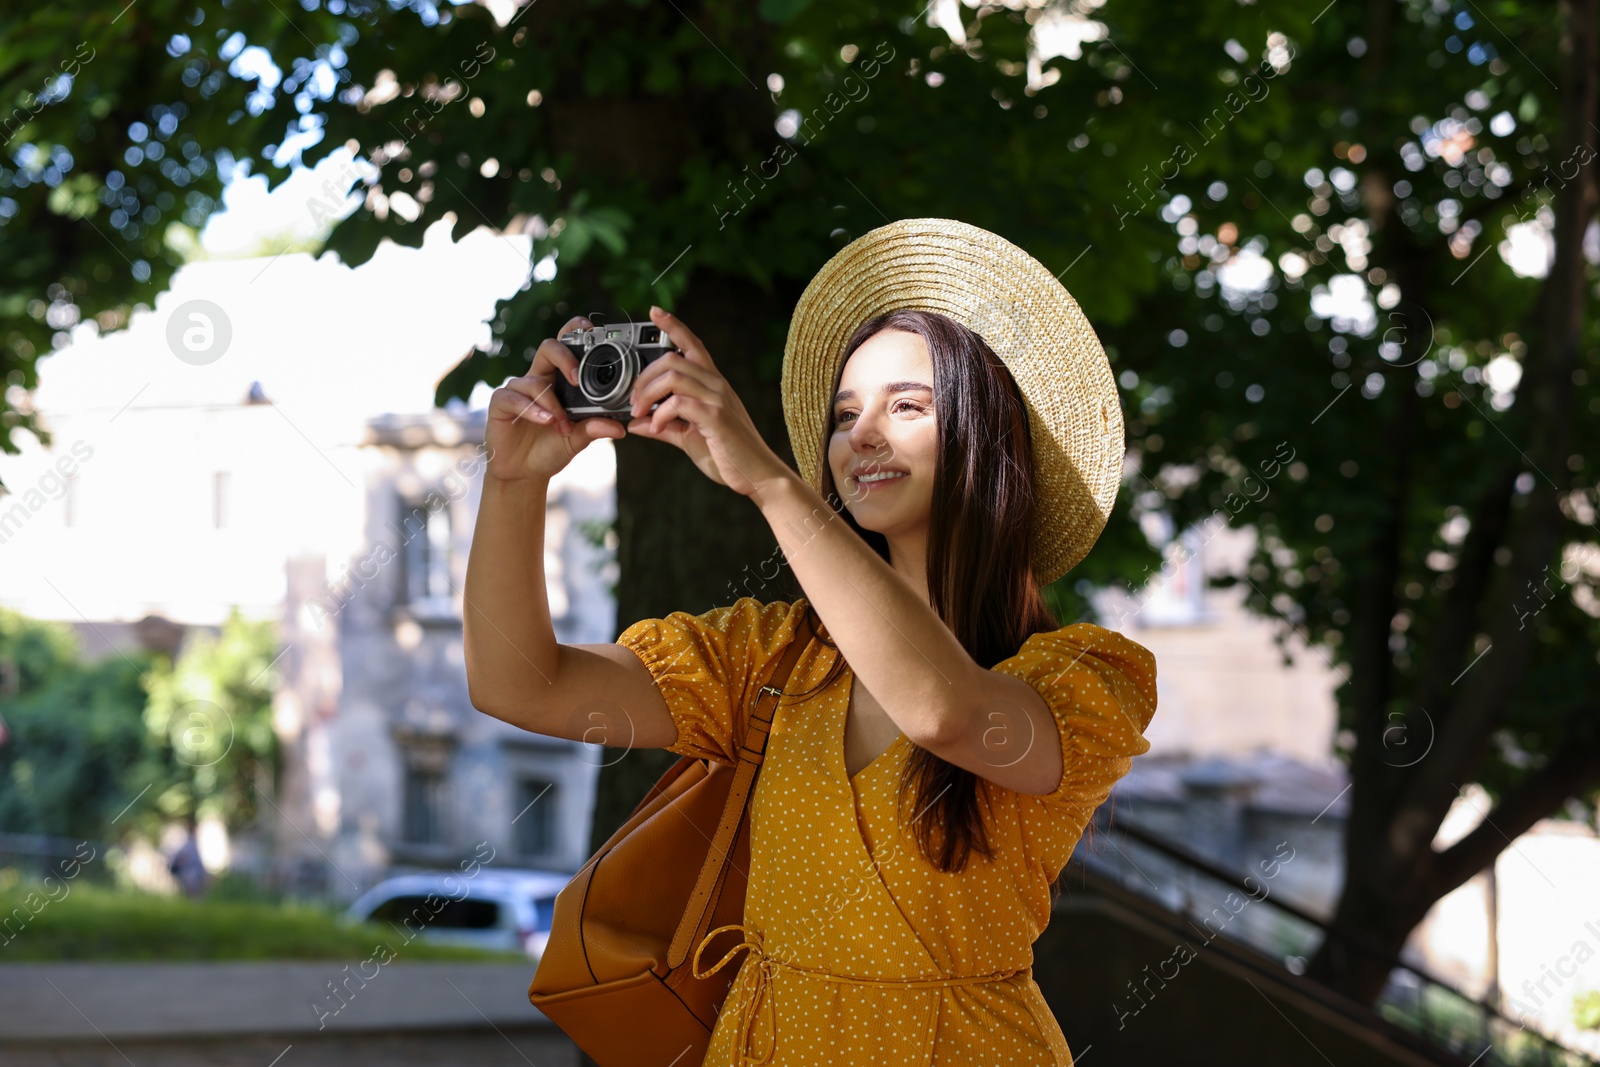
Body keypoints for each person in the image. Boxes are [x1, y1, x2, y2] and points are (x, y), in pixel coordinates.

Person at [465, 218, 1159, 1066]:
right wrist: (512, 483)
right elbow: (521, 684)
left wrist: (766, 480)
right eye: (844, 413)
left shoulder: (1084, 676)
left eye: (908, 405)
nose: (862, 434)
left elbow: (945, 711)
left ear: (990, 434)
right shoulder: (773, 655)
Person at [169, 814, 208, 899]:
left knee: (195, 897)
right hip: (190, 874)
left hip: (193, 874)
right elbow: (182, 858)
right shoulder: (189, 844)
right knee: (193, 896)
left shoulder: (193, 843)